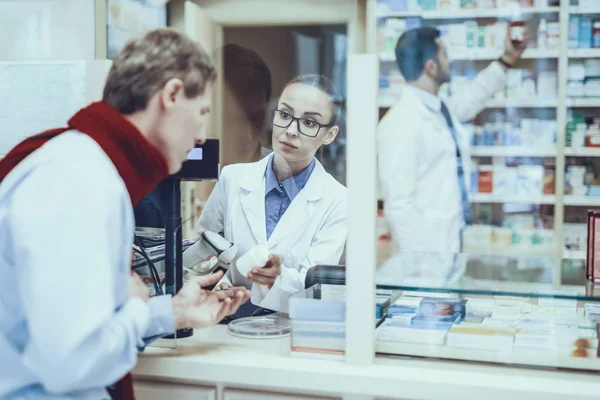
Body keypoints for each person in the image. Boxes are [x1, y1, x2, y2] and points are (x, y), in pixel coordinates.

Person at [0, 28, 250, 400]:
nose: (201, 136)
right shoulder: (80, 180)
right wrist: (135, 306)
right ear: (172, 95)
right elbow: (71, 363)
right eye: (201, 113)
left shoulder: (88, 167)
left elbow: (78, 326)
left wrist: (174, 313)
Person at [186, 74, 348, 313]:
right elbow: (204, 252)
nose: (291, 131)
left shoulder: (338, 200)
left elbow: (315, 283)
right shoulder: (233, 178)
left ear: (330, 135)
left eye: (309, 123)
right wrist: (219, 284)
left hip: (289, 328)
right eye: (284, 115)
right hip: (225, 322)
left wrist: (277, 277)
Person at [377, 26, 528, 255]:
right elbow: (399, 206)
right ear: (431, 66)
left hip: (449, 240)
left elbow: (473, 96)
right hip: (425, 254)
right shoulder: (401, 122)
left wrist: (507, 59)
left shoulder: (439, 108)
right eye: (444, 54)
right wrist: (420, 267)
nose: (450, 60)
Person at [222, 43, 274, 166]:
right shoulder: (185, 175)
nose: (247, 135)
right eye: (233, 121)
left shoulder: (286, 178)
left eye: (256, 119)